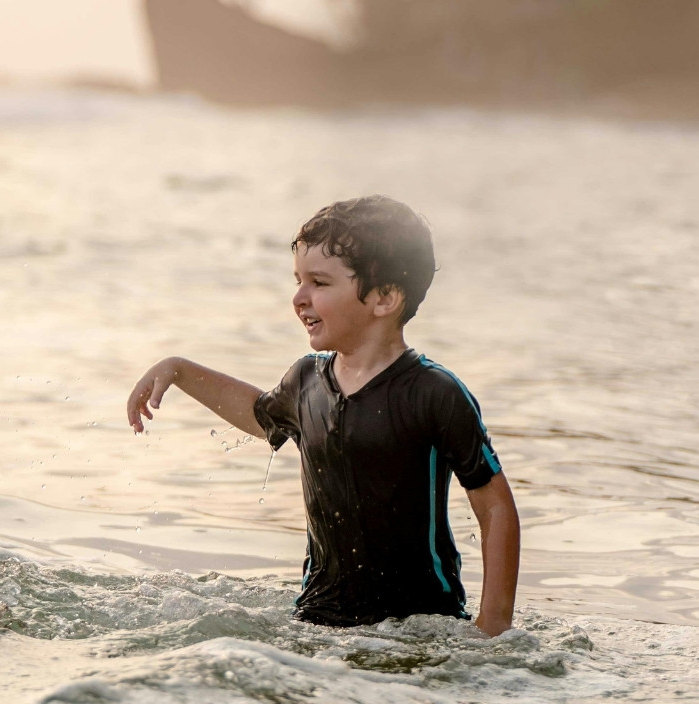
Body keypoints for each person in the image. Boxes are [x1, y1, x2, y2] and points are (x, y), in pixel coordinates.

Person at [125, 196, 520, 634]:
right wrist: (180, 370)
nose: (299, 297)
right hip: (316, 620)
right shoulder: (305, 381)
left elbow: (496, 506)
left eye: (319, 283)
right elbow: (260, 415)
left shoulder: (434, 393)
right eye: (298, 280)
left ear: (385, 297)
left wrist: (494, 624)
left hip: (421, 626)